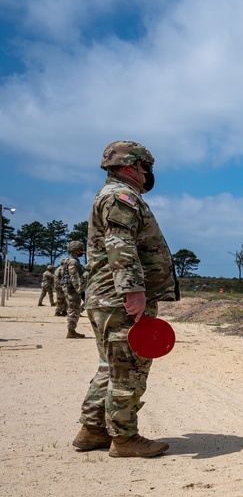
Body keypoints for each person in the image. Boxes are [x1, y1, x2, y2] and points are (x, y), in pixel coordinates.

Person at [72, 140, 178, 458]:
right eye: (147, 167)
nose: (149, 174)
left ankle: (92, 429)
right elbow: (120, 242)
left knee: (111, 365)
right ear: (131, 167)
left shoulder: (111, 195)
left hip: (105, 297)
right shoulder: (123, 196)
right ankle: (124, 437)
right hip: (118, 299)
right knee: (128, 368)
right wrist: (133, 290)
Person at [63, 241, 87, 338]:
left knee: (74, 309)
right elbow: (74, 277)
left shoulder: (70, 260)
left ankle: (72, 330)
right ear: (75, 251)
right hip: (72, 290)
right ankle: (71, 331)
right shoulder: (73, 262)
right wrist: (79, 289)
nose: (82, 252)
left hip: (71, 289)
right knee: (73, 310)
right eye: (81, 250)